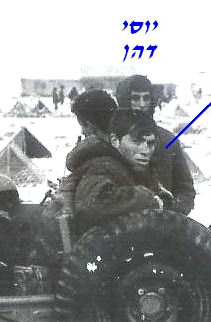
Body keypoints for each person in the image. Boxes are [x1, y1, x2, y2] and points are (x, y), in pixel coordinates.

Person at [67, 108, 170, 237]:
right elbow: (94, 204)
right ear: (115, 141)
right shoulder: (102, 165)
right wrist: (146, 198)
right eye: (136, 142)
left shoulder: (138, 168)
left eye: (150, 143)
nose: (146, 150)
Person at [115, 74, 196, 215]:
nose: (142, 104)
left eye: (146, 98)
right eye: (135, 98)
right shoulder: (114, 140)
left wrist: (170, 213)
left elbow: (185, 189)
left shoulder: (167, 140)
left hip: (162, 221)